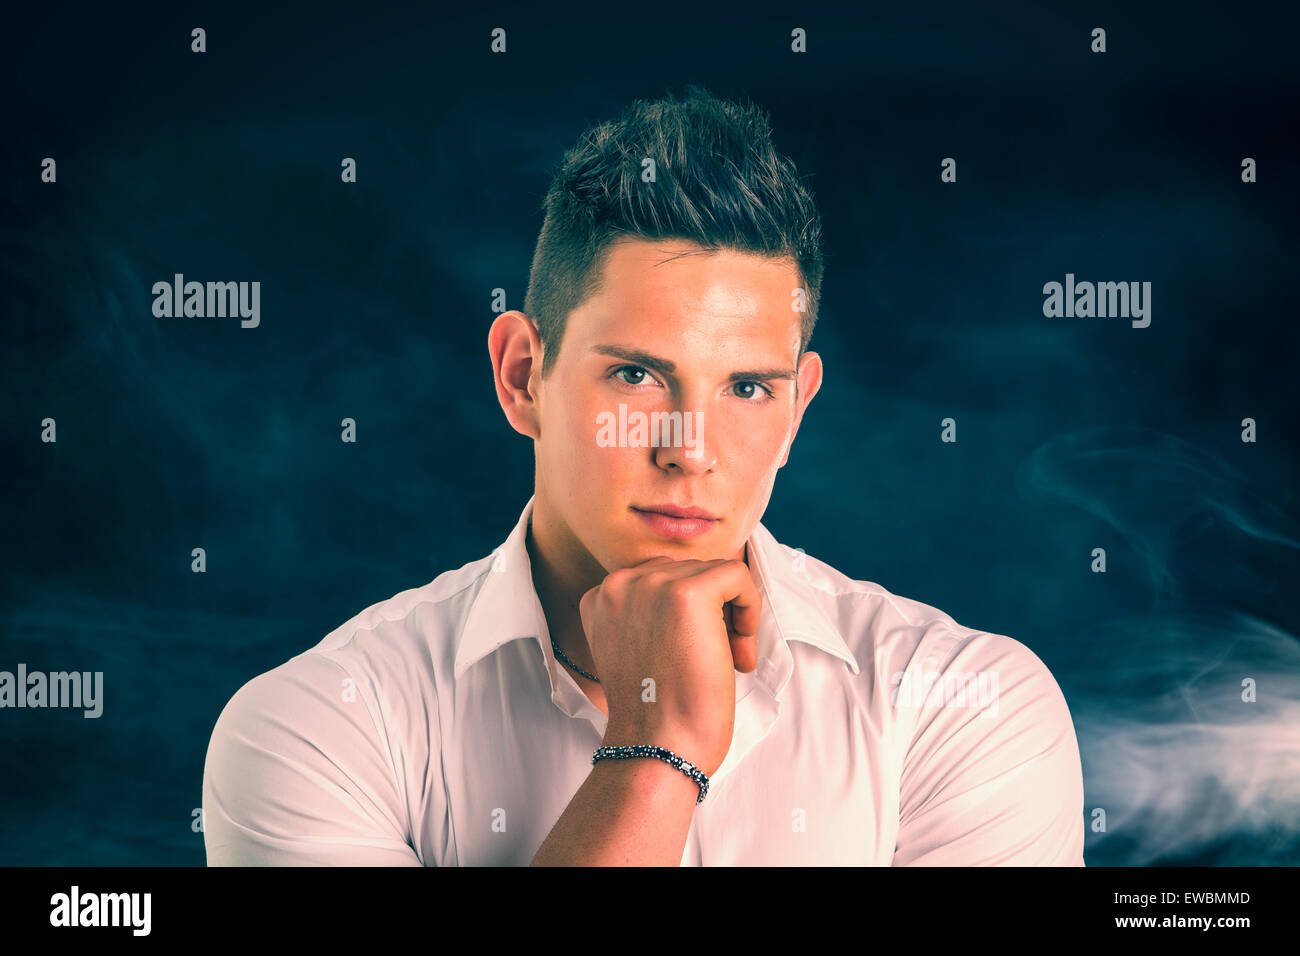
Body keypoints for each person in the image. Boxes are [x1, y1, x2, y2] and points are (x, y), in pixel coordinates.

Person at [202, 84, 1085, 866]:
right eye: (636, 374)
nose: (688, 447)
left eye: (746, 387)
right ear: (522, 378)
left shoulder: (962, 707)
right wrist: (657, 746)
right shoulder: (316, 729)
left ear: (797, 412)